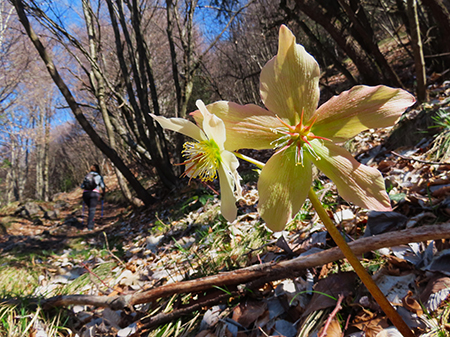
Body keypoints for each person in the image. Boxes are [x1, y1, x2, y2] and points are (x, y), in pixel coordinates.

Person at [81, 164, 106, 230]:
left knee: (90, 209)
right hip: (94, 194)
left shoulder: (87, 176)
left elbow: (82, 186)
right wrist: (103, 193)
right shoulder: (99, 176)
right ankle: (90, 227)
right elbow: (102, 186)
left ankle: (90, 222)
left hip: (86, 194)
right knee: (92, 210)